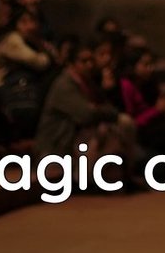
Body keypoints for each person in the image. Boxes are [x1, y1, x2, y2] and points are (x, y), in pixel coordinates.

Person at [34, 44, 135, 186]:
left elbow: (112, 110)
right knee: (101, 134)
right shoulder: (64, 85)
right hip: (58, 144)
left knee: (122, 125)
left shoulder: (88, 82)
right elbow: (86, 115)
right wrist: (96, 110)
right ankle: (84, 181)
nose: (89, 65)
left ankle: (124, 176)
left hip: (77, 137)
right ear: (71, 64)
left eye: (91, 60)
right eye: (84, 61)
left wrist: (101, 103)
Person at [0, 8, 54, 137]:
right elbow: (39, 62)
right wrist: (42, 48)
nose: (30, 26)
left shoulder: (26, 39)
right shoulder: (13, 39)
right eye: (23, 22)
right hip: (1, 86)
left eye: (32, 21)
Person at [120, 47, 165, 159]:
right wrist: (157, 110)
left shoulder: (149, 83)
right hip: (138, 132)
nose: (151, 68)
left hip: (151, 125)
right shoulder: (126, 85)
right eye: (146, 65)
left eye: (151, 64)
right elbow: (131, 121)